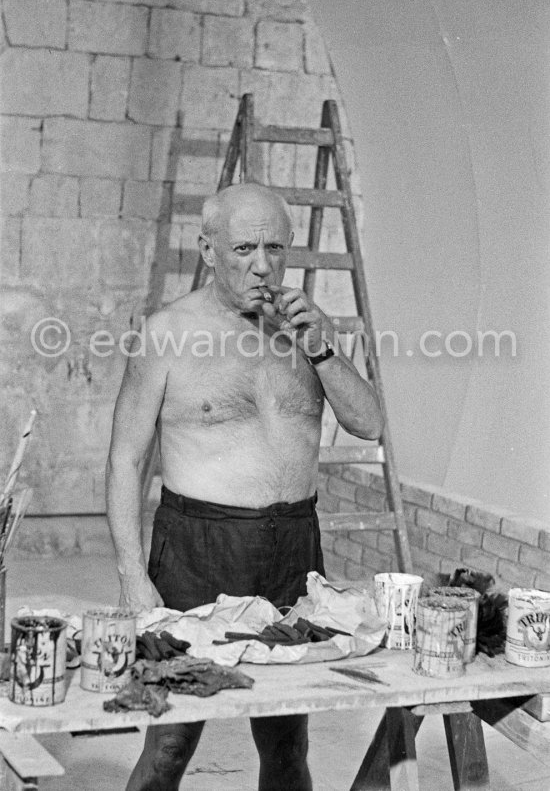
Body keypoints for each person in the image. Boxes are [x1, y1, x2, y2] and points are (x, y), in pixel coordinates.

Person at [106, 182, 383, 791]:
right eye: (244, 248)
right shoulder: (167, 332)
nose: (263, 266)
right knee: (171, 739)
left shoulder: (308, 329)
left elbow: (369, 424)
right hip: (197, 549)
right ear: (208, 249)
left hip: (292, 550)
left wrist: (323, 349)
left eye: (276, 249)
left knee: (287, 744)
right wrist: (132, 574)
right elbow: (126, 460)